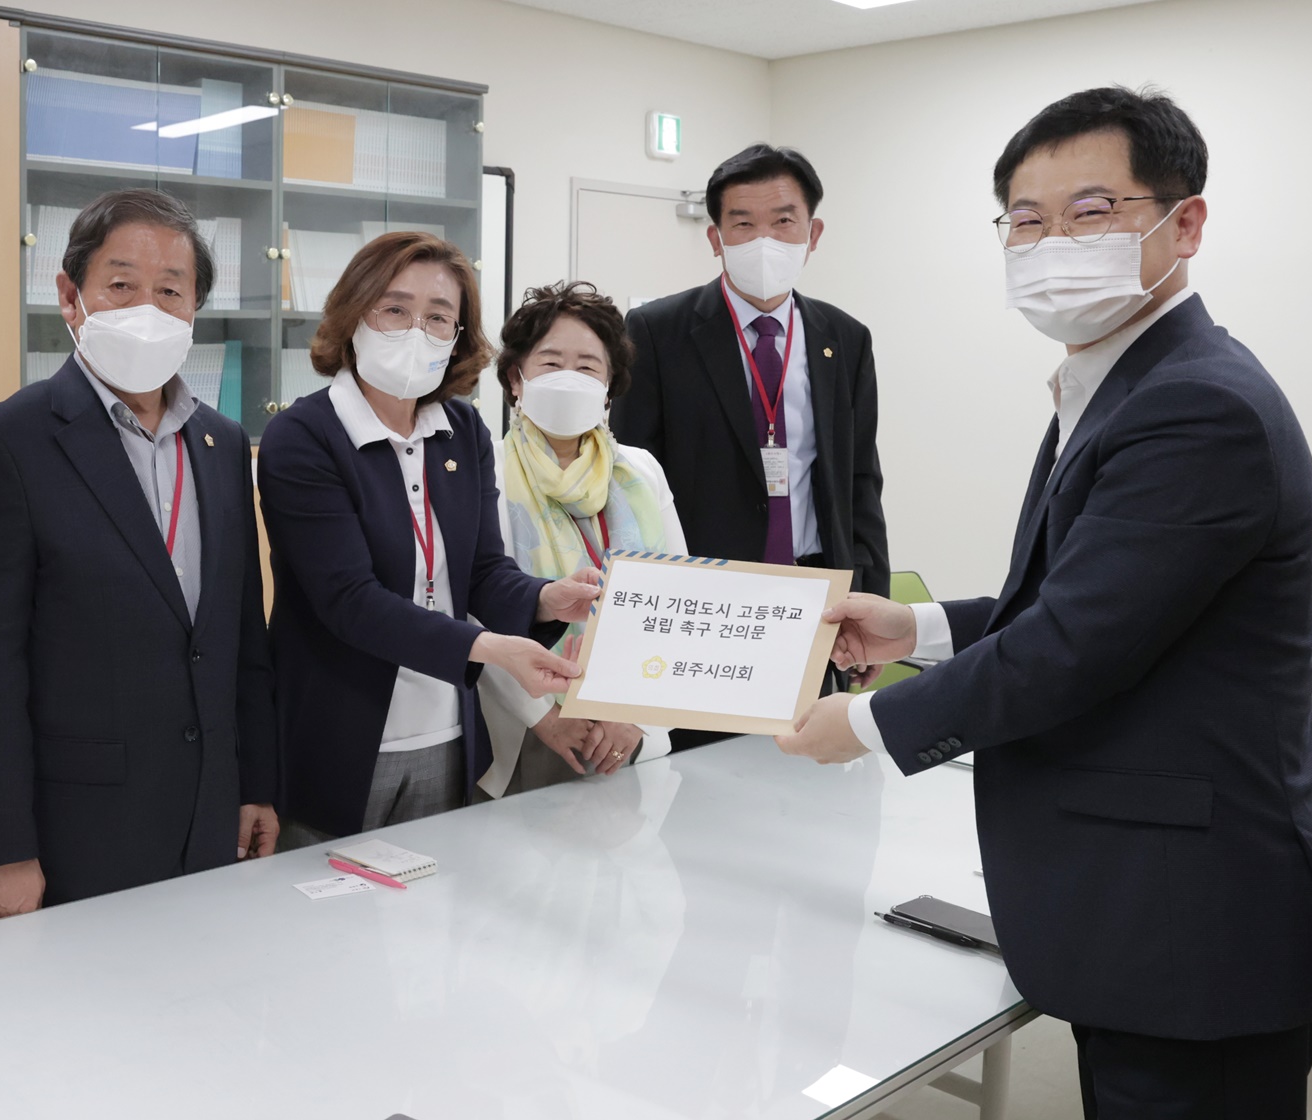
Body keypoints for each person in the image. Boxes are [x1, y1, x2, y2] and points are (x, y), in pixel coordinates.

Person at [778, 86, 1312, 1119]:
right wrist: (918, 626)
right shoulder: (1122, 379)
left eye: (1092, 210)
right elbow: (1081, 594)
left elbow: (1072, 645)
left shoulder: (1198, 403)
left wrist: (868, 720)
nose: (1052, 242)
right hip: (1145, 903)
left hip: (1198, 927)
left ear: (1183, 221)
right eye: (1026, 219)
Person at [0, 189, 278, 920]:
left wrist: (255, 781)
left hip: (209, 808)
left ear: (196, 308)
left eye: (171, 290)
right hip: (79, 823)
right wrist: (2, 848)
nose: (148, 308)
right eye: (122, 284)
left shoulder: (222, 444)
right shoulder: (11, 441)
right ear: (71, 296)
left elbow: (239, 638)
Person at [258, 232, 602, 843]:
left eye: (438, 318)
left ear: (458, 335)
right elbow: (349, 601)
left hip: (447, 727)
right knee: (329, 928)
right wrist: (493, 649)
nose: (416, 332)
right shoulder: (302, 436)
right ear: (353, 313)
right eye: (395, 310)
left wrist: (546, 598)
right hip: (342, 731)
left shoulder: (462, 429)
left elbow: (481, 572)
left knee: (436, 919)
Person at [613, 143, 889, 749]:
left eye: (783, 221)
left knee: (814, 781)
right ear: (716, 237)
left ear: (813, 232)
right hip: (706, 605)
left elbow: (859, 481)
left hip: (815, 599)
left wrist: (872, 601)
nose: (764, 239)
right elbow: (630, 483)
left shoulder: (844, 338)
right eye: (743, 223)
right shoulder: (657, 332)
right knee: (705, 787)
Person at [481, 282, 685, 797]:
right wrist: (545, 718)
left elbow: (682, 595)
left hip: (632, 729)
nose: (569, 378)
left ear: (610, 385)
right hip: (526, 726)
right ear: (515, 378)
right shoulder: (487, 472)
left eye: (588, 367)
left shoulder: (640, 471)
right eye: (550, 364)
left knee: (631, 867)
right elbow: (476, 608)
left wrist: (634, 716)